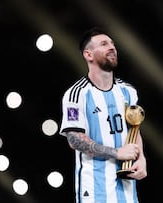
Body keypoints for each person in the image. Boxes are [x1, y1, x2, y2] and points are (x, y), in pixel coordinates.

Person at [59, 27, 147, 203]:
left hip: (127, 190)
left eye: (113, 44)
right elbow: (74, 139)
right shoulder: (77, 94)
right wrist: (117, 153)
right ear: (88, 55)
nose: (112, 47)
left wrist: (142, 158)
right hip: (95, 190)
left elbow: (134, 130)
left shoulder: (128, 91)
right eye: (104, 44)